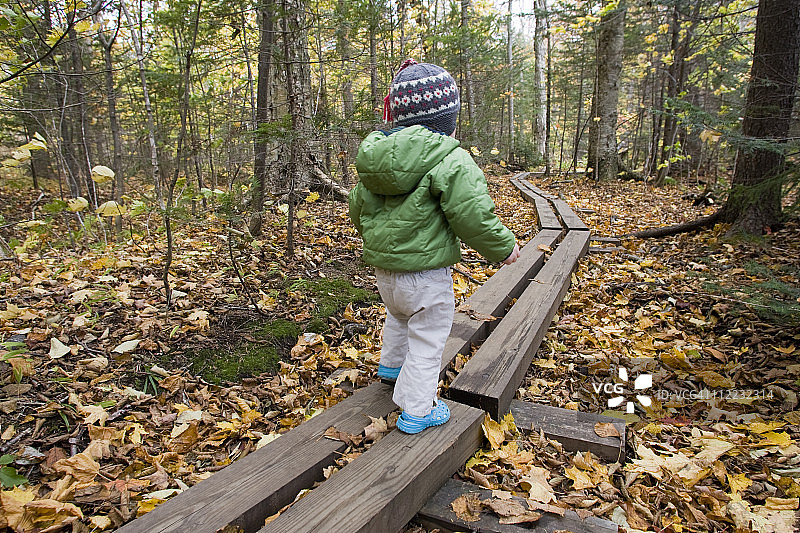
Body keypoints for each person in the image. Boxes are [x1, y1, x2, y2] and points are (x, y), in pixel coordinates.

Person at [348, 59, 520, 434]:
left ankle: (391, 368)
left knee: (398, 316)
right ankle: (418, 410)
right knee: (427, 338)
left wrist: (378, 240)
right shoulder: (452, 159)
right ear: (447, 119)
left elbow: (357, 209)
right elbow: (471, 215)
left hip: (385, 273)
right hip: (426, 275)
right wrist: (503, 248)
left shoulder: (374, 160)